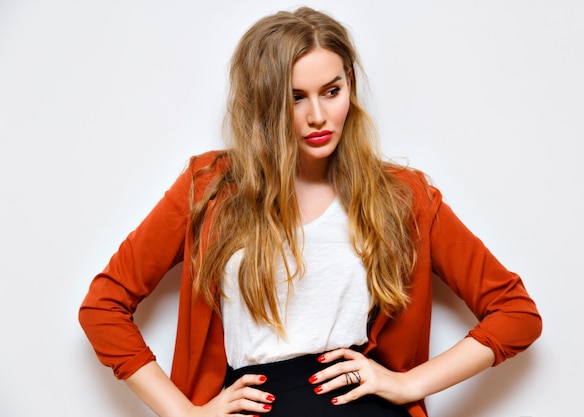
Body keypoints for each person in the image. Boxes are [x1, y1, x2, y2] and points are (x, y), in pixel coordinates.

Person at [79, 6, 542, 417]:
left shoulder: (403, 196)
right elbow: (103, 308)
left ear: (350, 88)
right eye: (295, 97)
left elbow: (515, 313)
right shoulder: (210, 187)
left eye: (331, 91)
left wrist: (408, 384)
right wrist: (182, 413)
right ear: (263, 104)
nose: (318, 115)